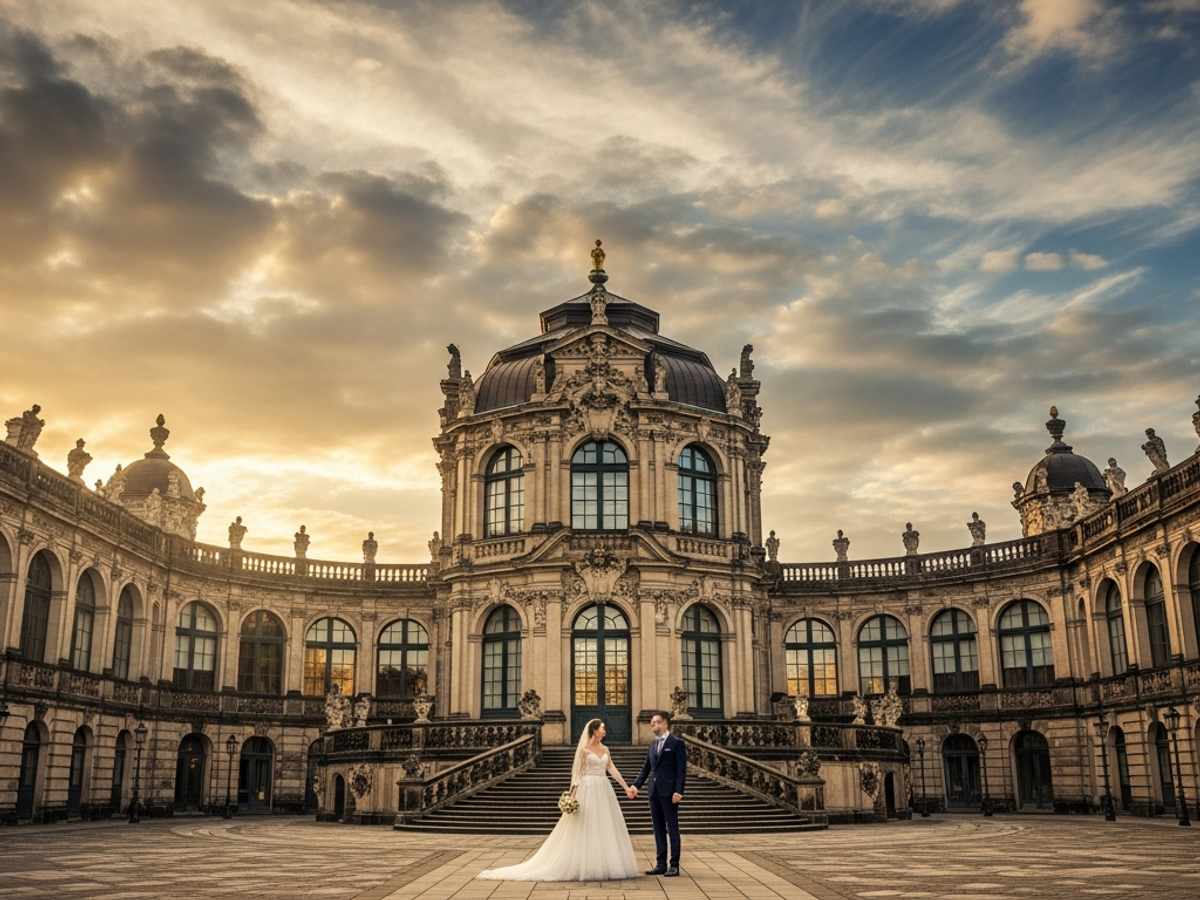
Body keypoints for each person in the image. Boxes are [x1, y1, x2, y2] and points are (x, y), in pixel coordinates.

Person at [478, 719, 638, 882]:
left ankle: (606, 863)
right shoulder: (583, 750)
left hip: (603, 788)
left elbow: (612, 769)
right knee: (585, 824)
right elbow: (578, 773)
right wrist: (571, 795)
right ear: (594, 730)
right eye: (602, 728)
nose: (605, 731)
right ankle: (583, 863)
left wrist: (626, 788)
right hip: (588, 788)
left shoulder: (605, 749)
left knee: (605, 824)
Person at [631, 711, 686, 877]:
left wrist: (679, 791)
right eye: (652, 722)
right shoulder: (652, 745)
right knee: (658, 828)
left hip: (670, 792)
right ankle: (660, 863)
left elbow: (681, 770)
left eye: (656, 722)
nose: (653, 725)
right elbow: (647, 768)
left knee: (672, 828)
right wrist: (636, 786)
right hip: (654, 791)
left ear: (665, 724)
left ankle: (674, 864)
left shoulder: (676, 743)